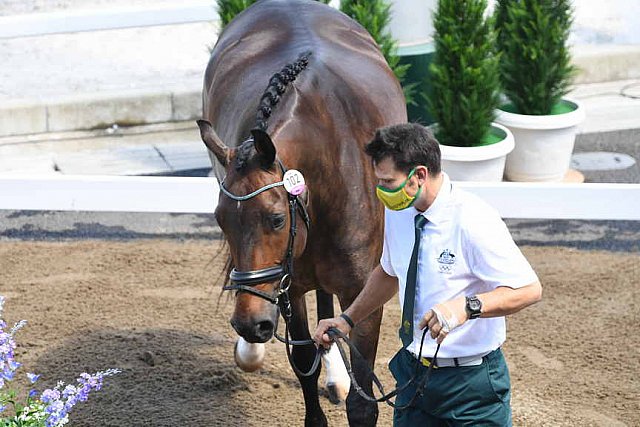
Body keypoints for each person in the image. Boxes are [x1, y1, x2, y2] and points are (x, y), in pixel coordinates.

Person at [313, 123, 542, 426]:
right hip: (414, 376)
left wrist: (466, 307)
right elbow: (389, 272)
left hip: (471, 385)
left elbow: (528, 289)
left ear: (419, 175)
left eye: (388, 182)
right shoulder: (398, 212)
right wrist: (347, 319)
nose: (381, 191)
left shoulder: (473, 220)